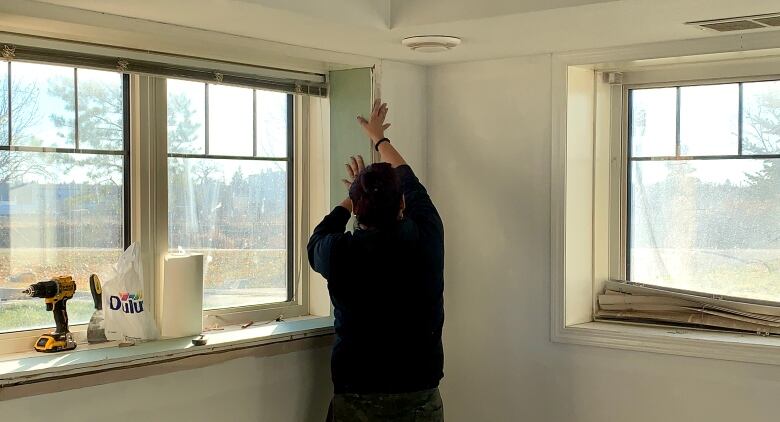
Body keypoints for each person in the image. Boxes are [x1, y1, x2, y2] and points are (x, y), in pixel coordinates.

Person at [308, 99, 445, 421]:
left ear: (356, 209)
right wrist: (379, 139)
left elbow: (319, 235)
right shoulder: (428, 234)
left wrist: (357, 194)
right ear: (401, 204)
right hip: (419, 390)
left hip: (358, 392)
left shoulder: (338, 252)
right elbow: (410, 181)